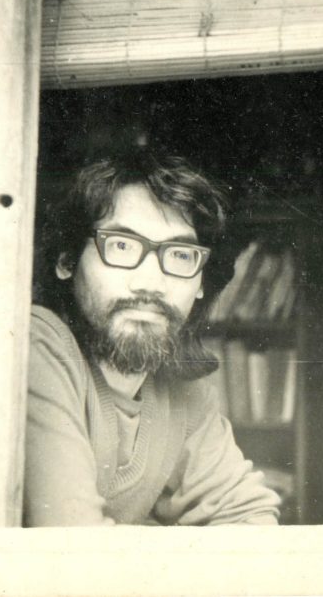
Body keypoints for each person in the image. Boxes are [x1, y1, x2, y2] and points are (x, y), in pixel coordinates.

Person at [24, 150, 281, 526]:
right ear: (66, 260)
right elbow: (73, 543)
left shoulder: (187, 395)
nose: (150, 283)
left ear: (200, 282)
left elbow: (251, 520)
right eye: (121, 246)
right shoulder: (38, 343)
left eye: (180, 255)